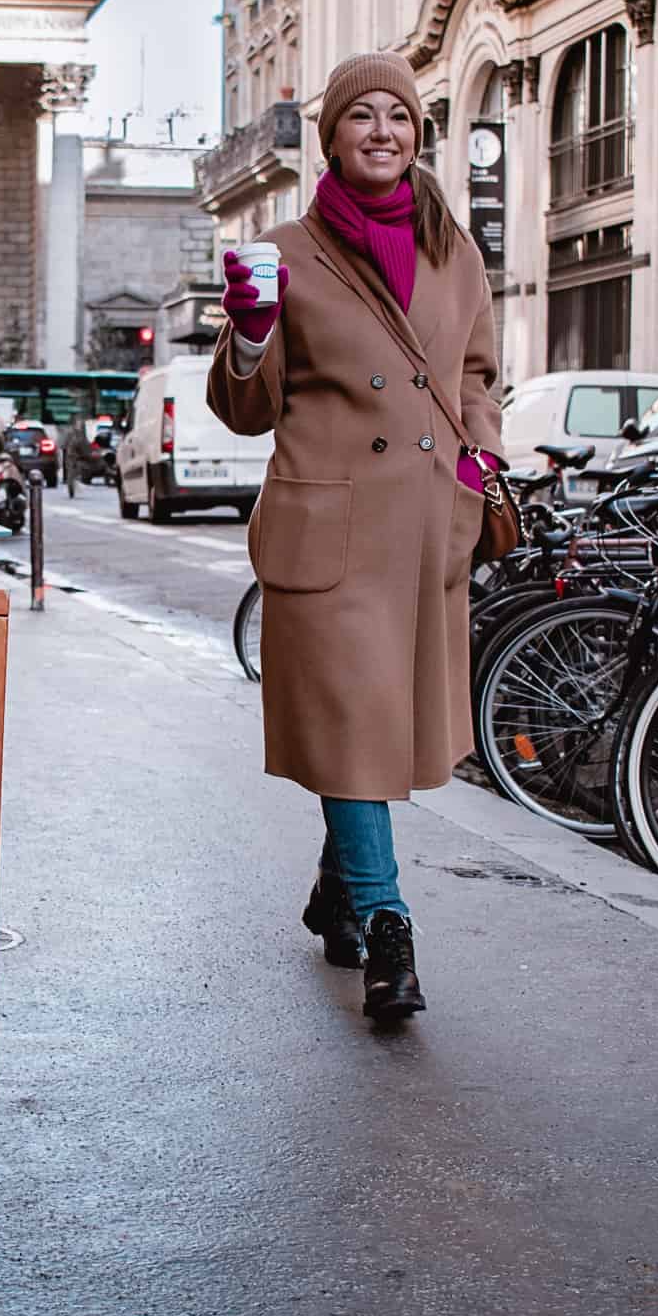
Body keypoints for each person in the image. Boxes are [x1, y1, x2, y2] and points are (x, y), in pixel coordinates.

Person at [207, 51, 504, 1022]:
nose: (383, 131)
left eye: (400, 117)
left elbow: (477, 377)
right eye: (362, 116)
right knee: (353, 721)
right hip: (329, 527)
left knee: (376, 726)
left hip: (423, 525)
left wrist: (478, 460)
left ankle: (338, 894)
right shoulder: (285, 251)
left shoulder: (454, 250)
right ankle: (385, 922)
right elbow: (247, 411)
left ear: (418, 135)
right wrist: (250, 332)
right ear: (330, 137)